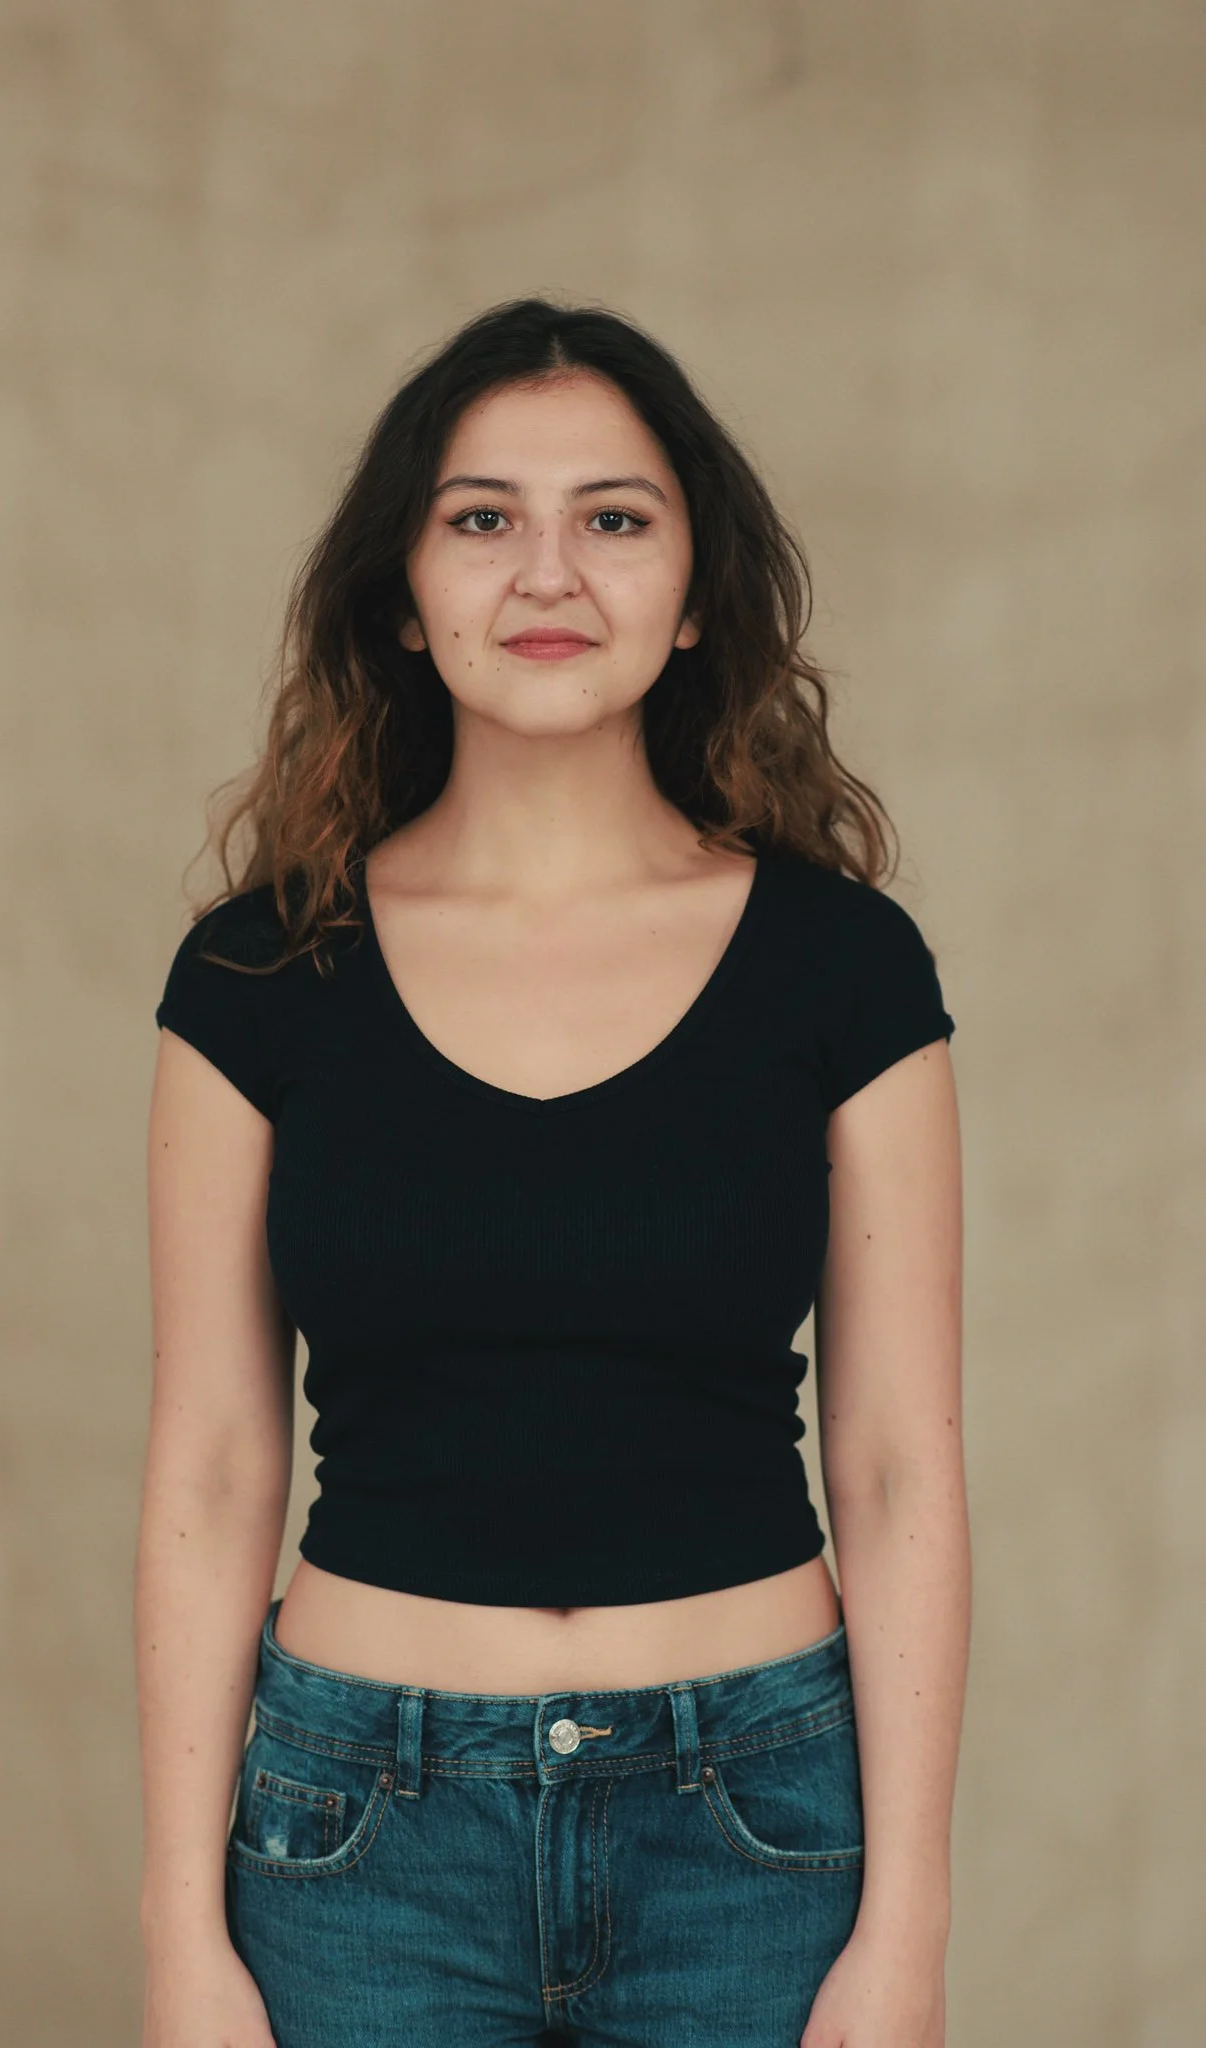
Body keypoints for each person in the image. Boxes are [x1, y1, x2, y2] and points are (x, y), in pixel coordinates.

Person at [136, 296, 969, 2048]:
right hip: (359, 1836)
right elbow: (213, 1466)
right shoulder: (255, 976)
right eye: (482, 517)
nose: (547, 573)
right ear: (406, 591)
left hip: (754, 1830)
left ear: (691, 599)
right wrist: (178, 1938)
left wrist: (906, 1929)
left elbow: (898, 1465)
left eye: (614, 517)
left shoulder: (848, 970)